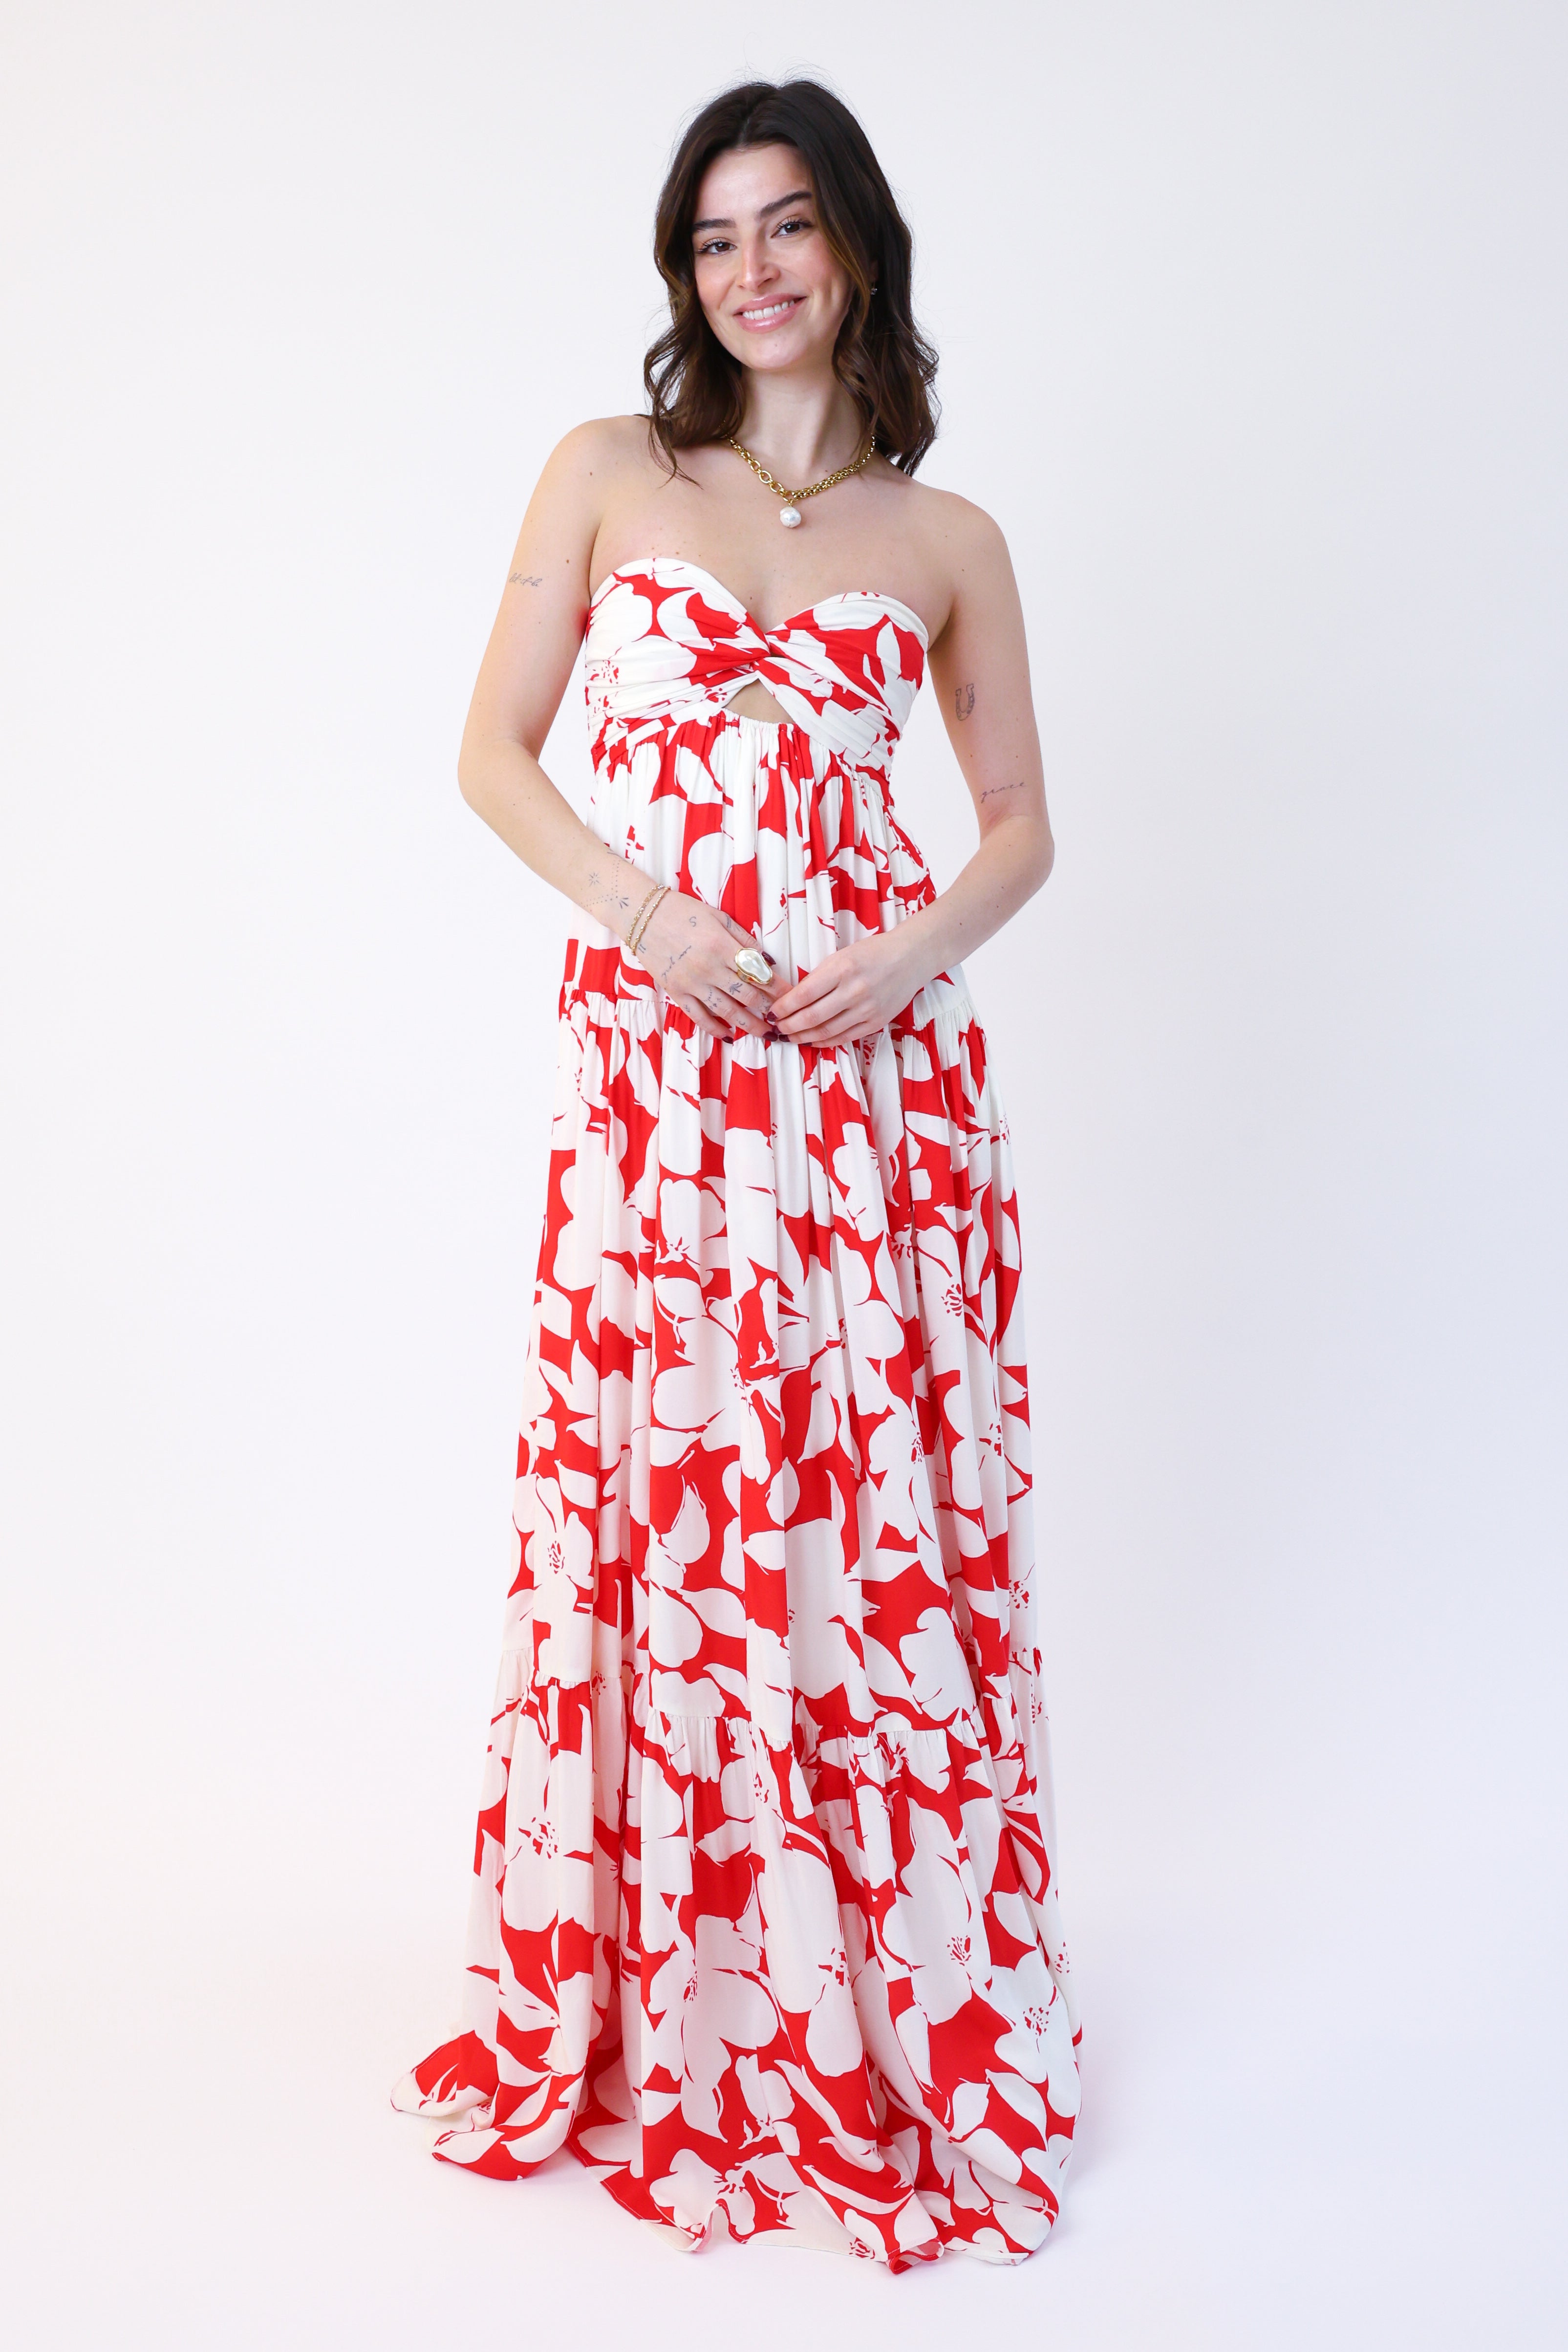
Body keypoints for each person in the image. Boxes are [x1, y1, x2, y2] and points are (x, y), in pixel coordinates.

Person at [392, 77, 1081, 2268]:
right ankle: (671, 1992)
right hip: (663, 1078)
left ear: (854, 245)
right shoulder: (609, 477)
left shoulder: (942, 538)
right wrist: (652, 916)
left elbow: (1018, 825)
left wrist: (908, 950)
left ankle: (873, 1991)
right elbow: (488, 754)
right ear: (683, 275)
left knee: (855, 1501)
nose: (752, 268)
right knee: (666, 1491)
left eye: (787, 226)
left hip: (871, 1097)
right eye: (712, 238)